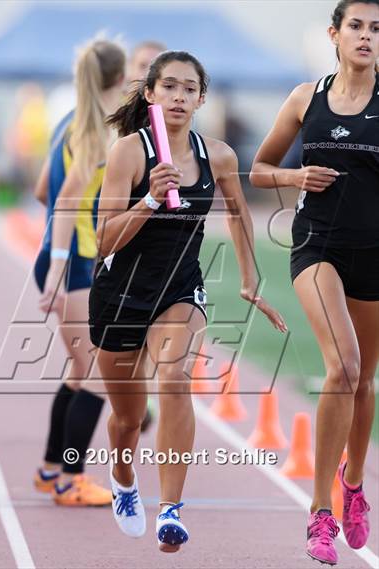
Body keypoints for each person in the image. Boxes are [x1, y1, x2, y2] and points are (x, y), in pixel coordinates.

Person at [89, 50, 287, 552]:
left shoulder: (217, 154)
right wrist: (151, 199)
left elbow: (240, 215)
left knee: (175, 380)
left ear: (202, 98)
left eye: (189, 88)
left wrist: (249, 280)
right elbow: (104, 240)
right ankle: (123, 474)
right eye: (169, 87)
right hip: (121, 296)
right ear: (151, 94)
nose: (179, 96)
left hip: (179, 290)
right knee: (128, 419)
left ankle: (171, 508)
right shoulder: (130, 153)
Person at [250, 1, 378, 565]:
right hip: (316, 247)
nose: (367, 37)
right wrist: (296, 175)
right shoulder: (306, 98)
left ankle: (353, 484)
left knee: (364, 380)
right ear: (334, 34)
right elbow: (257, 169)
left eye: (377, 29)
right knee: (343, 366)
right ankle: (320, 510)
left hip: (374, 253)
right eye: (357, 26)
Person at [32, 38, 126, 506]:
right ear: (120, 76)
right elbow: (65, 198)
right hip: (76, 267)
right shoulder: (95, 132)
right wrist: (58, 270)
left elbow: (39, 189)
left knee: (79, 368)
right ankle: (71, 476)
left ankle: (52, 469)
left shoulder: (70, 124)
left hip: (68, 260)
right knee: (94, 374)